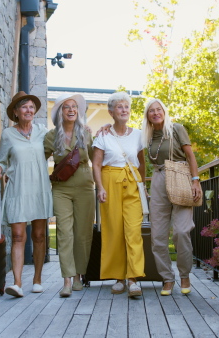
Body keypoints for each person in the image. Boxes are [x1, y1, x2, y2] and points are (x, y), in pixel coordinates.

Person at [0, 91, 53, 297]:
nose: (29, 110)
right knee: (18, 236)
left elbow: (62, 140)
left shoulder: (43, 132)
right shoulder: (9, 134)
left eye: (31, 107)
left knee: (39, 235)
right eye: (24, 107)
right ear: (16, 112)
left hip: (39, 189)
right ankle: (17, 283)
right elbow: (1, 159)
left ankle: (37, 279)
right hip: (18, 189)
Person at [141, 98, 202, 295]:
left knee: (181, 231)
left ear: (164, 112)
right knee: (157, 236)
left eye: (159, 109)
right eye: (151, 111)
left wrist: (195, 180)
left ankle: (184, 275)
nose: (156, 113)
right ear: (147, 116)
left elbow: (190, 155)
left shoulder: (176, 128)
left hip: (180, 177)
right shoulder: (147, 136)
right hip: (158, 180)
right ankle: (167, 278)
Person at [91, 91, 146, 297]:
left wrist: (143, 188)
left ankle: (133, 279)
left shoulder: (139, 135)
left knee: (133, 231)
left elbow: (142, 164)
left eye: (127, 107)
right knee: (113, 231)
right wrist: (100, 188)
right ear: (111, 112)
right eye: (120, 107)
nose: (124, 110)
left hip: (132, 184)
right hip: (110, 182)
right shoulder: (103, 135)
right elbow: (96, 164)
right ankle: (118, 278)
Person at [44, 93, 95, 298]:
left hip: (84, 186)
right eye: (66, 107)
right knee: (65, 232)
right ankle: (66, 279)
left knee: (82, 234)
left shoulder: (86, 133)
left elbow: (97, 159)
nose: (71, 110)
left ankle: (78, 277)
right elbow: (38, 159)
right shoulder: (50, 136)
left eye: (74, 107)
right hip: (61, 188)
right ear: (60, 112)